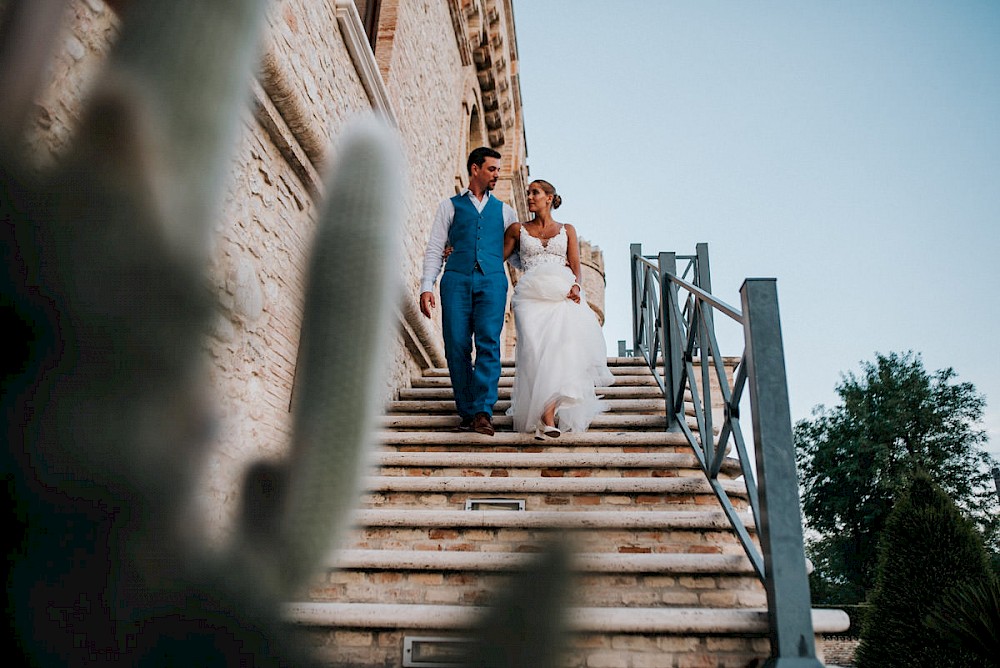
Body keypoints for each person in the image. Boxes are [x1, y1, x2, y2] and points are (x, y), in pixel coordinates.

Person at [418, 147, 518, 436]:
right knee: (456, 344)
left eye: (499, 170)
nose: (497, 175)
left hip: (493, 282)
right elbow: (436, 248)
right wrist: (427, 285)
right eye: (492, 169)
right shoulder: (449, 207)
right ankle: (467, 409)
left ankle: (483, 412)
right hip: (456, 281)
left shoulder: (505, 211)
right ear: (475, 169)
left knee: (489, 343)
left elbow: (514, 256)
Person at [502, 180, 614, 439]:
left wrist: (575, 287)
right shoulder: (517, 230)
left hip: (562, 294)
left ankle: (548, 416)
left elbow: (576, 268)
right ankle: (543, 412)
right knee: (534, 351)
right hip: (529, 297)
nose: (530, 197)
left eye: (535, 193)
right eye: (528, 193)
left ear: (550, 198)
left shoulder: (567, 230)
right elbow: (498, 257)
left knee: (557, 352)